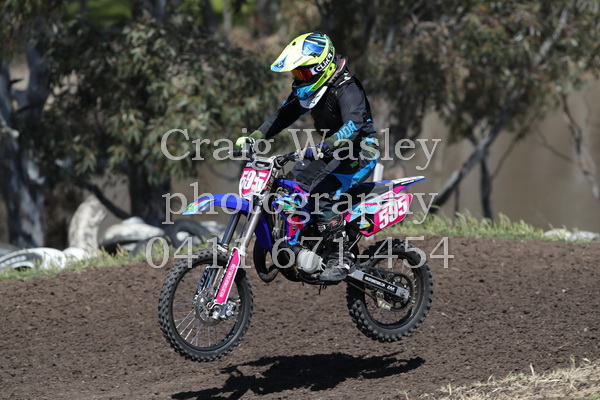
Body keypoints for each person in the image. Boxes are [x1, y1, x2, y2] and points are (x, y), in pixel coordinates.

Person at [236, 31, 379, 282]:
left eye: (303, 73)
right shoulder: (312, 89)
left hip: (360, 151)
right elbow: (282, 117)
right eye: (296, 74)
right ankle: (293, 241)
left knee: (321, 195)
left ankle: (340, 257)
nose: (299, 78)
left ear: (322, 66)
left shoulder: (347, 88)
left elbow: (353, 124)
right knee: (289, 185)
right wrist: (255, 136)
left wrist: (328, 144)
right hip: (332, 149)